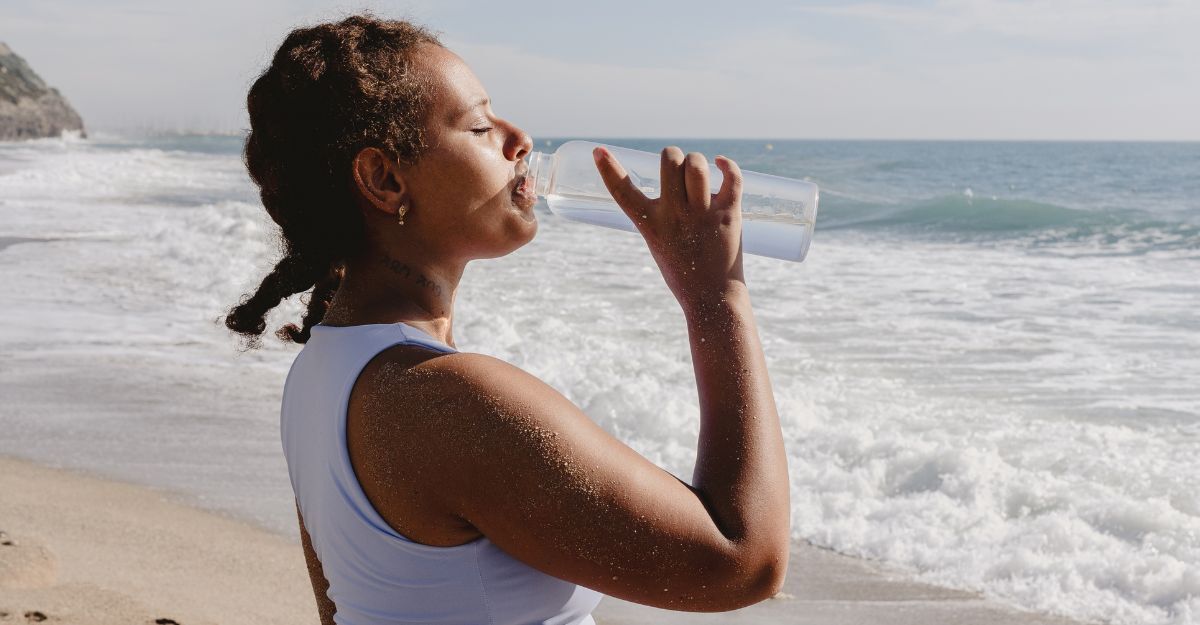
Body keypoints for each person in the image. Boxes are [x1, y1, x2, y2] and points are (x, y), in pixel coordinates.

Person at [225, 14, 790, 625]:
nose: (518, 137)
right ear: (384, 180)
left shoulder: (319, 375)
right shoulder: (446, 401)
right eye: (478, 125)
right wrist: (714, 295)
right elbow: (742, 563)